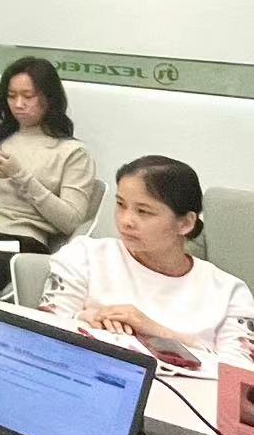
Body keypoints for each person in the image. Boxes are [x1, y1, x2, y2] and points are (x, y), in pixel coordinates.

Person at [41, 155, 253, 364]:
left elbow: (239, 377)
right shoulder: (84, 256)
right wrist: (82, 320)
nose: (126, 221)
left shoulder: (229, 293)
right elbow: (42, 338)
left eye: (143, 211)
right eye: (121, 204)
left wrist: (158, 332)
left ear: (185, 223)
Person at [0, 57, 98, 297]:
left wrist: (20, 176)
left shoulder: (72, 153)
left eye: (28, 96)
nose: (18, 104)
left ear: (49, 98)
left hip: (19, 239)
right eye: (11, 96)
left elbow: (70, 221)